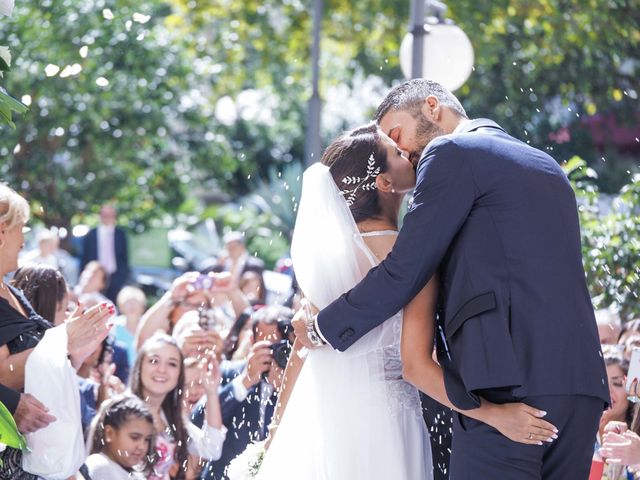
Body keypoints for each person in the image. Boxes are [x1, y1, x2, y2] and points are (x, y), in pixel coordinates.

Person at [294, 80, 610, 479]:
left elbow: (405, 269)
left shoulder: (450, 151)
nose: (404, 152)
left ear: (431, 107)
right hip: (580, 384)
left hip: (507, 386)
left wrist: (323, 329)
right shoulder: (547, 165)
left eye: (397, 135)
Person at [260, 124, 555, 480]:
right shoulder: (410, 256)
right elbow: (415, 366)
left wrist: (276, 432)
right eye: (398, 154)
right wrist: (494, 414)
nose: (411, 153)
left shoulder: (329, 257)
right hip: (385, 422)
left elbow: (304, 347)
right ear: (385, 183)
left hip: (322, 420)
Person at [0, 183, 113, 478]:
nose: (25, 242)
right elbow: (2, 374)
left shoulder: (12, 291)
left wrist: (76, 351)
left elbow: (42, 359)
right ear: (1, 232)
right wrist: (62, 340)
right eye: (21, 230)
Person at [194, 305, 293, 480]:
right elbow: (197, 420)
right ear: (252, 340)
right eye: (268, 345)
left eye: (283, 347)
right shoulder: (229, 373)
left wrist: (286, 389)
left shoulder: (301, 382)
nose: (275, 352)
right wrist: (245, 382)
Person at [130, 334, 225, 480]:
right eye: (154, 361)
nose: (162, 369)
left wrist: (211, 392)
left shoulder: (172, 419)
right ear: (139, 365)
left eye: (172, 364)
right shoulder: (121, 411)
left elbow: (211, 449)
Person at [84, 395, 156, 480]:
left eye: (147, 439)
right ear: (109, 433)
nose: (142, 446)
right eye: (135, 437)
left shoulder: (137, 474)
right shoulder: (99, 466)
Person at [80, 204, 130, 303]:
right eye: (105, 215)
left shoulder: (120, 234)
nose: (107, 217)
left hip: (116, 276)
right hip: (95, 277)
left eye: (110, 215)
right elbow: (85, 256)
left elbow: (124, 256)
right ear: (100, 216)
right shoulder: (91, 234)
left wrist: (123, 274)